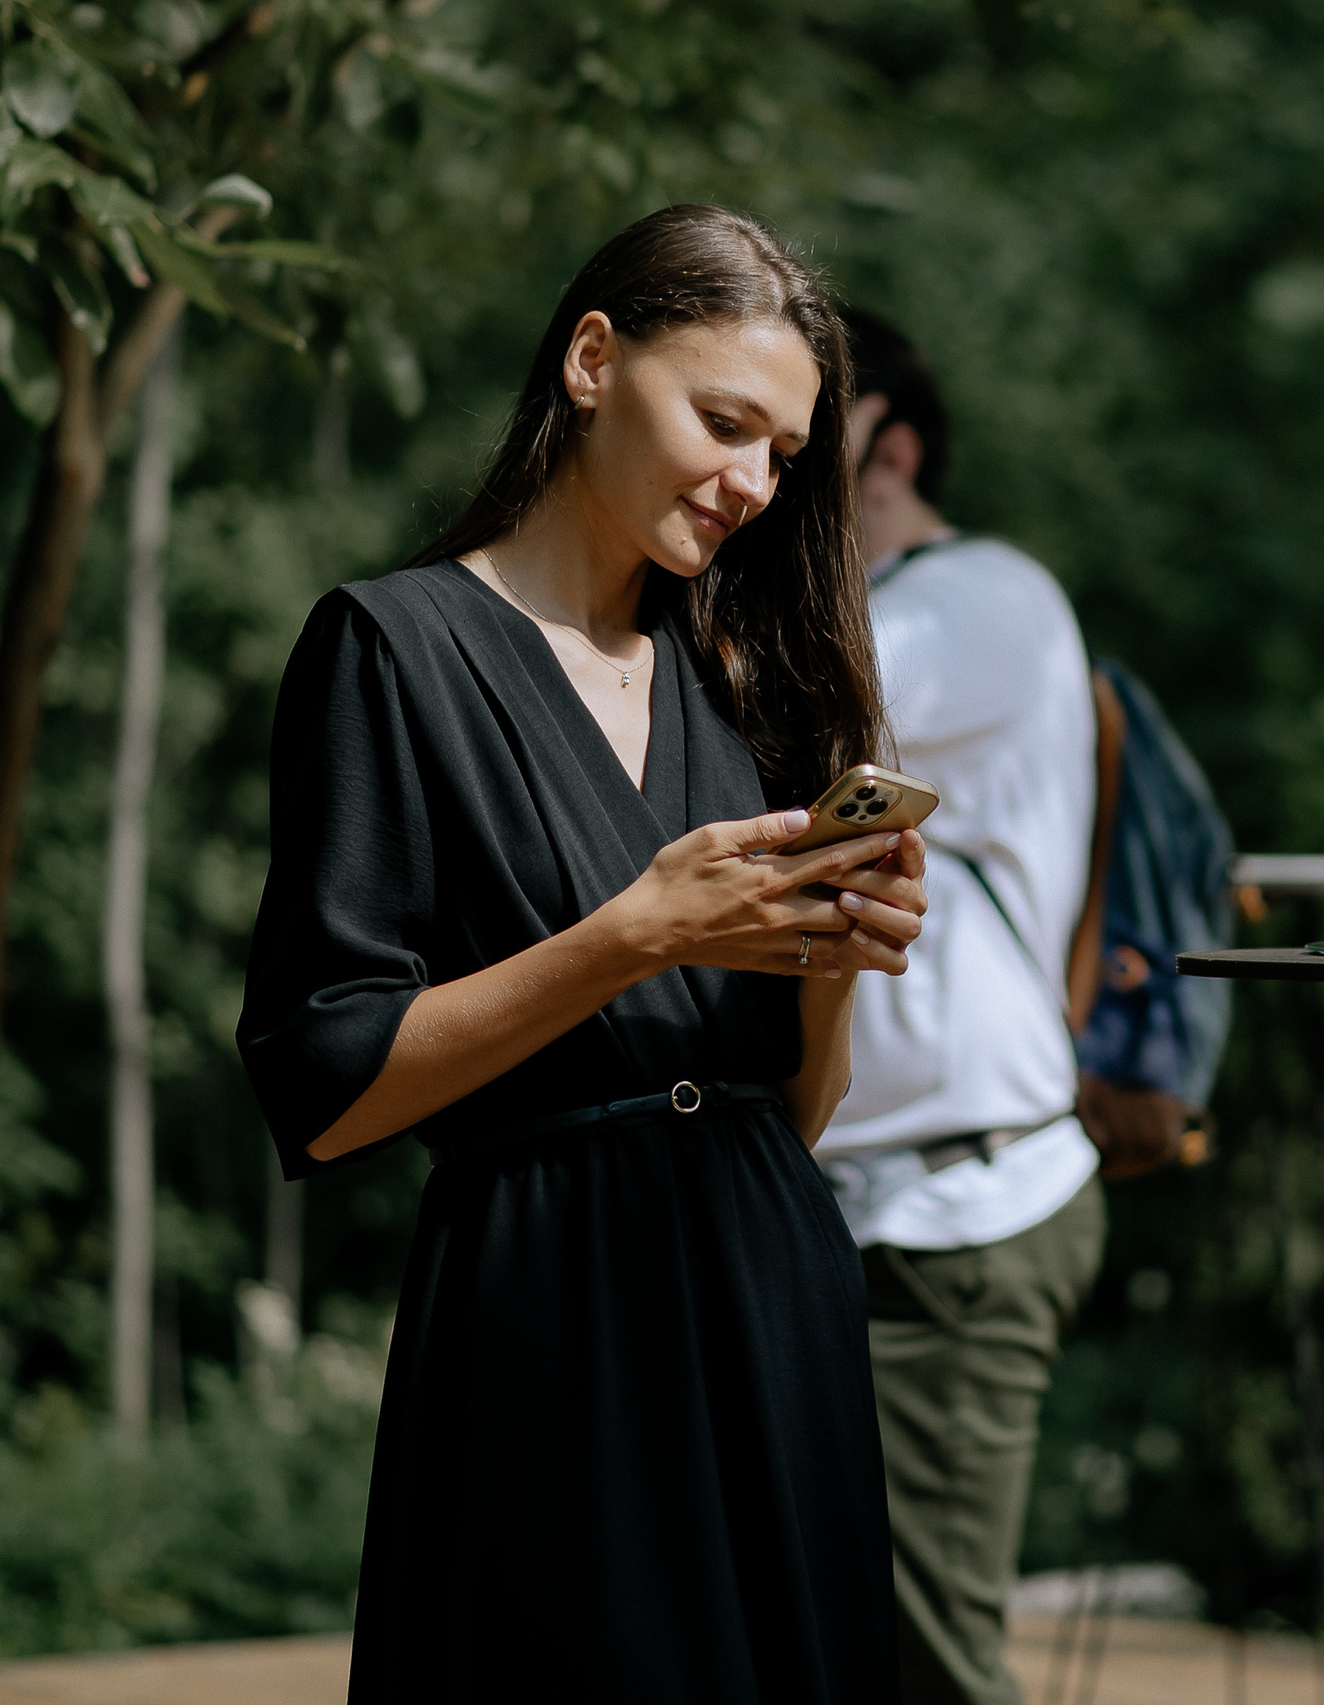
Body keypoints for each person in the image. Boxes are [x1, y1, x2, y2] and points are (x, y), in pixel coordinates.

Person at [236, 205, 923, 1704]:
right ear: (595, 358)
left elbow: (791, 1115)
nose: (753, 484)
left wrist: (827, 957)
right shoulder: (390, 652)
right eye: (726, 423)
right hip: (550, 1317)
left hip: (775, 1301)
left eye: (785, 455)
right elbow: (324, 1083)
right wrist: (632, 937)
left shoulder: (750, 686)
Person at [815, 311, 1104, 1705]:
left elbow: (798, 715)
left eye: (805, 428)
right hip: (857, 1211)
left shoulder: (985, 595)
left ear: (892, 446)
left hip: (955, 1222)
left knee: (931, 1674)